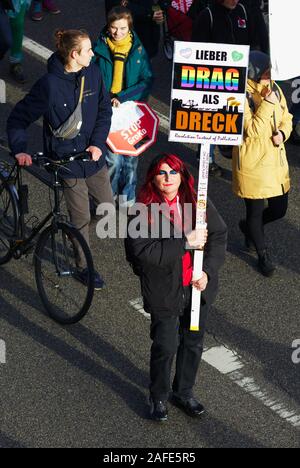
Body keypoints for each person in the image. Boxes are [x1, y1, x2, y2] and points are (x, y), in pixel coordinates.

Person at [7, 29, 114, 289]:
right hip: (65, 162)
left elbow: (103, 110)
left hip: (93, 157)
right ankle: (83, 267)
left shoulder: (94, 73)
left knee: (107, 209)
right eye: (89, 50)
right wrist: (20, 149)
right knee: (80, 221)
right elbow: (18, 118)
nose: (94, 53)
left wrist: (98, 144)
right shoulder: (49, 86)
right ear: (75, 55)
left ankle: (75, 229)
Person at [125, 153, 227, 421]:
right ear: (153, 178)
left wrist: (207, 271)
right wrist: (185, 241)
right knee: (165, 346)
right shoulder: (143, 209)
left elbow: (218, 234)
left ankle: (183, 392)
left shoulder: (197, 202)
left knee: (193, 342)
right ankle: (158, 396)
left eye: (173, 172)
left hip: (196, 289)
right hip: (164, 291)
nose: (168, 178)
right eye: (161, 172)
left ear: (182, 175)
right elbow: (142, 251)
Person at [232, 51, 292, 277]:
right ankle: (262, 254)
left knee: (279, 209)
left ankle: (249, 228)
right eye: (266, 72)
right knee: (255, 212)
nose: (270, 74)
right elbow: (252, 130)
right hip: (252, 164)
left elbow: (287, 117)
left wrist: (284, 133)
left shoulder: (273, 87)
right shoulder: (239, 94)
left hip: (276, 161)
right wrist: (267, 103)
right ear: (254, 73)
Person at [192, 0, 269, 177]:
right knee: (209, 119)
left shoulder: (243, 10)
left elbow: (253, 42)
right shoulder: (207, 16)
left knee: (238, 118)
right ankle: (205, 157)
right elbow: (197, 50)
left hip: (240, 76)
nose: (234, 0)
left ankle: (233, 152)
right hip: (214, 79)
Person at [93, 6, 153, 208]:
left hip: (131, 111)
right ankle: (107, 197)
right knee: (112, 159)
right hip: (106, 109)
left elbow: (147, 80)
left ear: (130, 28)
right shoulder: (99, 47)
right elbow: (91, 77)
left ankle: (127, 197)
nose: (117, 33)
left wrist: (124, 96)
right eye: (113, 28)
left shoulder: (137, 49)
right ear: (108, 26)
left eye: (122, 29)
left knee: (131, 158)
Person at [105, 0, 171, 59]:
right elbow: (116, 5)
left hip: (148, 31)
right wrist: (149, 13)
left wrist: (161, 7)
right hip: (126, 29)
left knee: (145, 57)